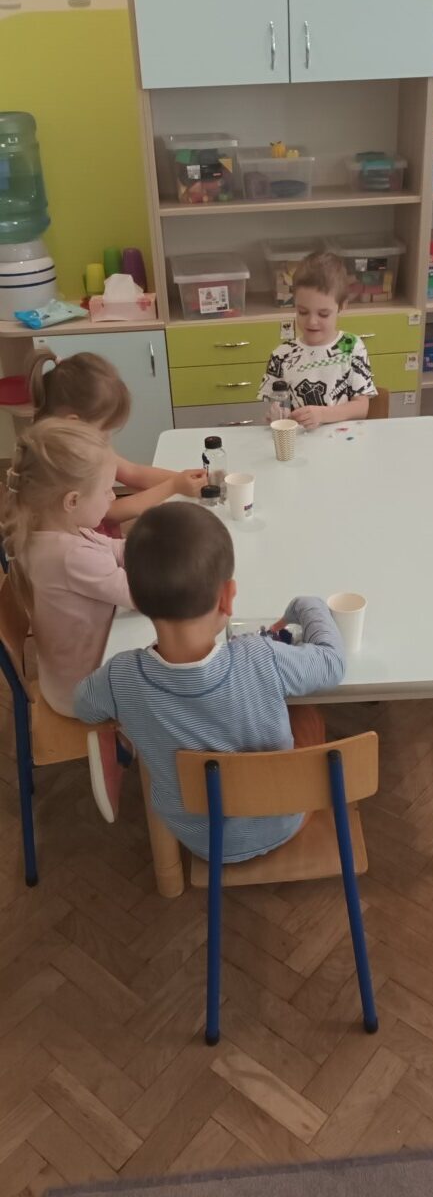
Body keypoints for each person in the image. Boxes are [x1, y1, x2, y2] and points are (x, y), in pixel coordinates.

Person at [74, 502, 346, 859]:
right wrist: (306, 605)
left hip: (197, 837)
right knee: (308, 715)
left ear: (135, 599)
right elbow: (332, 662)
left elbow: (83, 706)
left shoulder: (121, 675)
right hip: (283, 821)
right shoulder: (261, 657)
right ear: (227, 597)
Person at [1, 418, 136, 814]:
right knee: (168, 677)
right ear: (72, 501)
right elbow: (139, 595)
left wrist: (148, 545)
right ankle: (116, 739)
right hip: (84, 692)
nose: (113, 496)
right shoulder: (70, 555)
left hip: (63, 675)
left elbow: (114, 551)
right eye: (107, 489)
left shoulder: (56, 530)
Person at [27, 348, 205, 531]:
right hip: (88, 542)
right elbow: (109, 513)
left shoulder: (82, 442)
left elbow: (133, 472)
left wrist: (192, 481)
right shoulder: (59, 462)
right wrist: (174, 486)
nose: (107, 439)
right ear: (74, 423)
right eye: (104, 430)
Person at [258, 252, 377, 430]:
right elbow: (277, 407)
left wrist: (322, 414)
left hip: (342, 439)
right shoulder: (282, 355)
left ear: (342, 306)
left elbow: (361, 408)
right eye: (303, 312)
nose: (312, 321)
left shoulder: (351, 346)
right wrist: (275, 415)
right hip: (298, 441)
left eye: (323, 314)